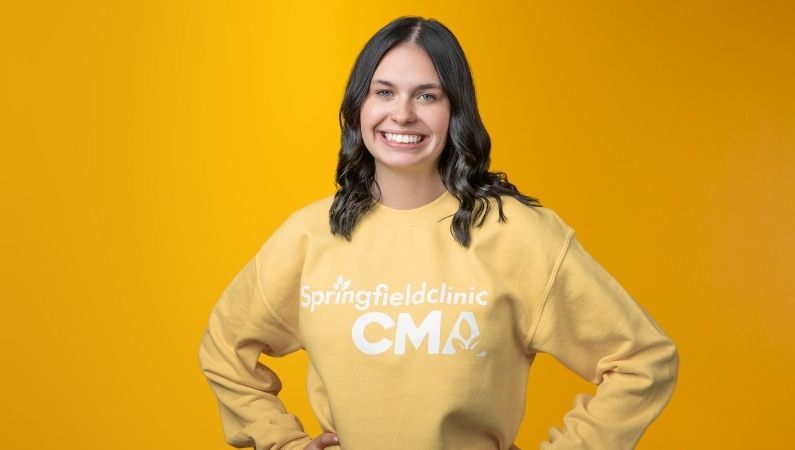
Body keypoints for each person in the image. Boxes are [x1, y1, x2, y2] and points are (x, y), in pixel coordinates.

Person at [199, 16, 679, 450]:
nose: (402, 114)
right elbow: (225, 350)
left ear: (455, 111)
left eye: (426, 95)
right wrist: (282, 442)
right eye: (384, 92)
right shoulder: (310, 235)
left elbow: (643, 360)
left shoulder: (517, 234)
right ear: (359, 106)